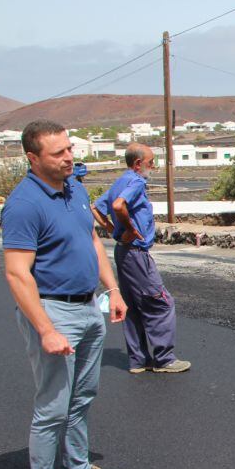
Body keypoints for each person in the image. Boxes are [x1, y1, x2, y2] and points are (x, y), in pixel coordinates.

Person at [1, 120, 128, 469]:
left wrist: (112, 291)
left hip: (89, 306)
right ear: (32, 158)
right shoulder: (23, 204)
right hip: (53, 311)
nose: (69, 157)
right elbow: (18, 274)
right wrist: (46, 329)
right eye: (58, 153)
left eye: (69, 149)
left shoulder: (75, 188)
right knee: (53, 406)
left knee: (83, 395)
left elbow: (92, 240)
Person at [93, 144, 190, 375]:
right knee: (160, 302)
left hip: (123, 252)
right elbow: (118, 205)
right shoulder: (136, 182)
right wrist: (129, 229)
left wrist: (111, 228)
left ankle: (138, 360)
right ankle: (164, 359)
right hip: (136, 252)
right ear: (138, 164)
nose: (153, 166)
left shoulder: (120, 181)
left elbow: (96, 208)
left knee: (134, 305)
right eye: (151, 162)